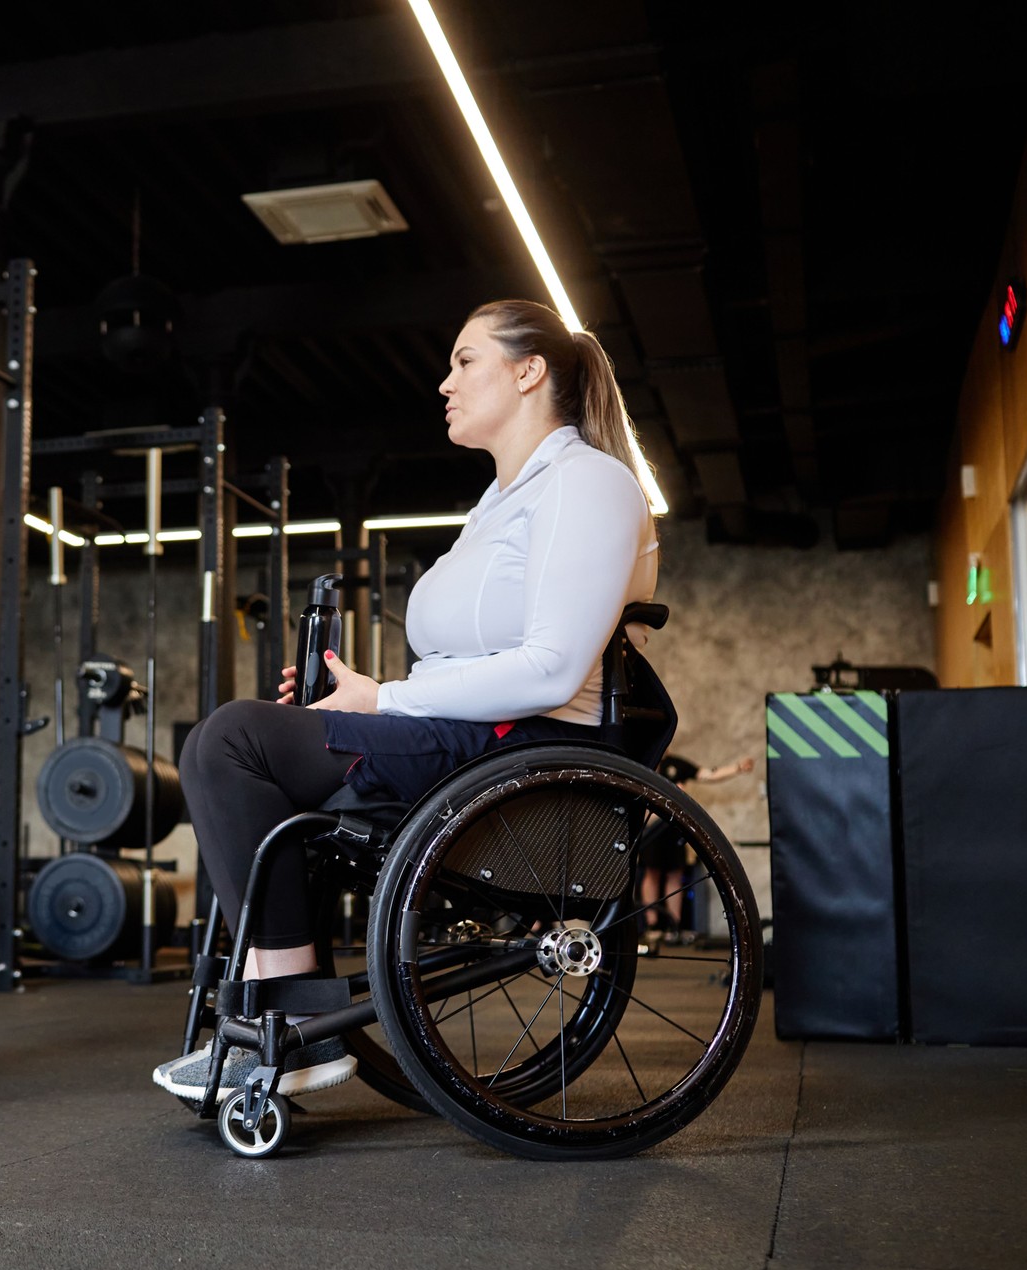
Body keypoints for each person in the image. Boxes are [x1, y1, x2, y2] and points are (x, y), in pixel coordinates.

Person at [153, 299, 661, 1101]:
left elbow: (553, 669)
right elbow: (464, 661)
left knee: (230, 741)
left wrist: (384, 699)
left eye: (465, 361)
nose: (444, 382)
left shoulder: (586, 482)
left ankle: (286, 1018)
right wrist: (360, 697)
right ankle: (278, 1010)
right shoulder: (500, 503)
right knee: (245, 750)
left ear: (529, 372)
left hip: (519, 748)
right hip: (465, 736)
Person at [639, 753, 755, 941]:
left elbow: (707, 774)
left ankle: (673, 925)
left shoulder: (675, 763)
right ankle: (652, 926)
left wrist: (737, 768)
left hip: (672, 829)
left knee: (675, 874)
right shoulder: (644, 762)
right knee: (651, 873)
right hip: (650, 829)